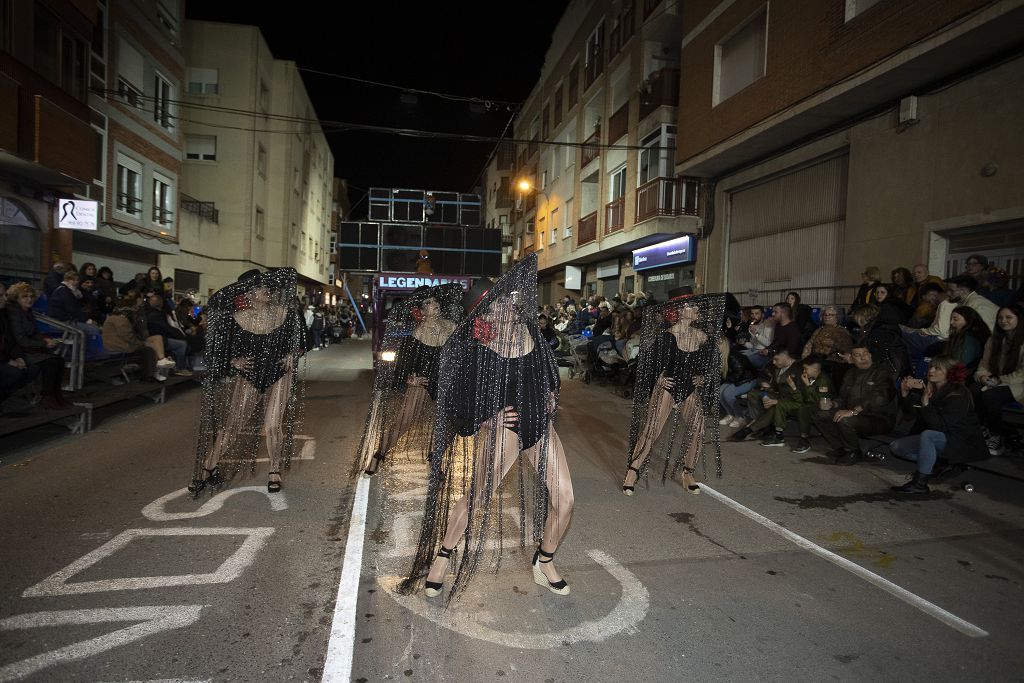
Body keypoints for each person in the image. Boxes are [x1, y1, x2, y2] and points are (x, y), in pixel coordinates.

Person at [400, 254, 573, 601]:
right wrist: (490, 418)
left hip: (539, 423)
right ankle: (443, 556)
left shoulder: (531, 333)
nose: (510, 305)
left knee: (566, 500)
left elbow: (548, 373)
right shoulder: (477, 350)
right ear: (487, 314)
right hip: (504, 429)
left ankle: (545, 560)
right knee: (476, 496)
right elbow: (458, 403)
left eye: (507, 299)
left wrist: (551, 395)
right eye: (500, 303)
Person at [188, 269, 307, 496]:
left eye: (267, 287)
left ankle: (274, 470)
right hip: (250, 375)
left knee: (272, 425)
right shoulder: (235, 319)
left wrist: (293, 355)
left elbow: (303, 341)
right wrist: (235, 361)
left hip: (280, 373)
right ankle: (208, 466)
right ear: (250, 293)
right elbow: (218, 350)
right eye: (262, 288)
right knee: (233, 426)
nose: (268, 291)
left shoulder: (286, 314)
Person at [622, 290, 725, 496]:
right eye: (691, 306)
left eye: (696, 306)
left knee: (698, 429)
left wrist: (703, 377)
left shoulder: (701, 336)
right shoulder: (665, 338)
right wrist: (657, 379)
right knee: (651, 432)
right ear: (679, 311)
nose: (697, 309)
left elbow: (712, 361)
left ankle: (688, 473)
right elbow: (644, 365)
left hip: (689, 390)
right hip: (666, 389)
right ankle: (632, 472)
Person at [355, 284, 461, 477]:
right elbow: (403, 366)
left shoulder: (451, 326)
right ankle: (379, 455)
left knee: (450, 423)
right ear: (421, 311)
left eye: (435, 301)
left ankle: (435, 458)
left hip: (446, 382)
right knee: (404, 421)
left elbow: (461, 351)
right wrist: (410, 379)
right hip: (423, 383)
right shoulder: (415, 336)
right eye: (428, 303)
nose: (434, 304)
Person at [889, 356, 985, 494]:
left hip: (962, 441)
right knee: (896, 447)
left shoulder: (958, 394)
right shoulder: (931, 388)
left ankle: (920, 483)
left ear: (950, 373)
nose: (931, 371)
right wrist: (905, 394)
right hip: (941, 438)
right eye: (931, 367)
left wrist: (926, 404)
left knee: (928, 435)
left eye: (937, 368)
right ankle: (939, 463)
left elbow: (940, 426)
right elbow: (911, 414)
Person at [811, 345, 897, 465]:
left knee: (845, 420)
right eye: (857, 355)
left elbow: (880, 398)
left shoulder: (882, 372)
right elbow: (843, 398)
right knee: (819, 414)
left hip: (878, 417)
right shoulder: (850, 373)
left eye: (865, 353)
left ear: (870, 355)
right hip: (856, 414)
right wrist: (833, 403)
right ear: (851, 358)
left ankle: (853, 452)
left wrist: (854, 411)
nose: (863, 357)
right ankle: (841, 448)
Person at [4, 282, 70, 409]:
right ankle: (47, 397)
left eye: (31, 296)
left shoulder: (27, 312)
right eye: (24, 296)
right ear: (16, 298)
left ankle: (56, 395)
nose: (29, 299)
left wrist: (46, 340)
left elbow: (34, 332)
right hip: (19, 352)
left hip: (31, 349)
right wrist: (44, 344)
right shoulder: (14, 313)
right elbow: (20, 340)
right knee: (51, 362)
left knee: (59, 360)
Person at [973, 305, 1024, 456]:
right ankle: (981, 429)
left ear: (1019, 319)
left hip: (1018, 384)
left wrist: (998, 380)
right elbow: (984, 364)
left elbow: (1022, 374)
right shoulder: (994, 339)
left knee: (991, 396)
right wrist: (983, 377)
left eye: (1009, 317)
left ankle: (996, 435)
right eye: (1000, 318)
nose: (1003, 321)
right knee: (973, 390)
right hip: (995, 380)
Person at [761, 355, 834, 454]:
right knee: (781, 404)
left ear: (816, 368)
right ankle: (779, 436)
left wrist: (808, 385)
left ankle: (804, 439)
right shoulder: (807, 377)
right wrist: (794, 387)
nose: (803, 371)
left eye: (806, 369)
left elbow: (817, 399)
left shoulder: (823, 380)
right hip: (803, 403)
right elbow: (800, 398)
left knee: (802, 408)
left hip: (817, 407)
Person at [731, 348, 801, 443]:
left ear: (785, 356)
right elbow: (761, 377)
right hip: (777, 394)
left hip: (792, 400)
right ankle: (763, 426)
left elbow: (799, 395)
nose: (773, 362)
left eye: (776, 359)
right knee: (753, 395)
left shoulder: (798, 369)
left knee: (775, 407)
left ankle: (750, 429)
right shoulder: (776, 366)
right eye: (773, 359)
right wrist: (765, 392)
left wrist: (776, 401)